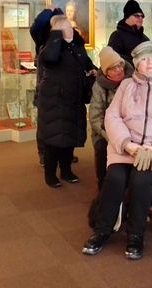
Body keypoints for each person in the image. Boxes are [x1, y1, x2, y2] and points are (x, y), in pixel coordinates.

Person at [82, 41, 152, 260]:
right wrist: (127, 144)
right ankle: (102, 230)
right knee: (114, 178)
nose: (149, 62)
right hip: (125, 148)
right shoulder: (126, 86)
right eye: (144, 59)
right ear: (137, 64)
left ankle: (135, 234)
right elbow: (112, 117)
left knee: (141, 181)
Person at [37, 15, 96, 188]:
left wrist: (93, 69)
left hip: (74, 97)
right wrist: (56, 36)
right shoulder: (49, 47)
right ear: (55, 32)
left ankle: (66, 170)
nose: (69, 31)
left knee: (69, 136)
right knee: (54, 138)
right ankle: (50, 173)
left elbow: (87, 63)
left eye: (69, 27)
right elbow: (49, 58)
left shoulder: (77, 46)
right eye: (63, 29)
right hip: (55, 99)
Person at [89, 46, 134, 190]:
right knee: (103, 148)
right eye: (113, 68)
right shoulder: (99, 86)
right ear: (106, 71)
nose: (119, 70)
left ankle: (131, 186)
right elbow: (95, 117)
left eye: (120, 65)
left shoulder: (133, 80)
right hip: (105, 131)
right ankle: (103, 187)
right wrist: (110, 136)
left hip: (131, 127)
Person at [29, 4, 64, 166]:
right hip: (45, 87)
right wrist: (49, 10)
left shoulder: (66, 40)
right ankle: (44, 154)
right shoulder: (43, 40)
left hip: (62, 87)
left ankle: (62, 154)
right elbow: (36, 26)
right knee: (45, 123)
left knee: (62, 122)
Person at [107, 0, 149, 64]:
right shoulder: (117, 36)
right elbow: (112, 56)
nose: (140, 18)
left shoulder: (145, 39)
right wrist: (133, 60)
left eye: (142, 16)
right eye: (137, 16)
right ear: (127, 17)